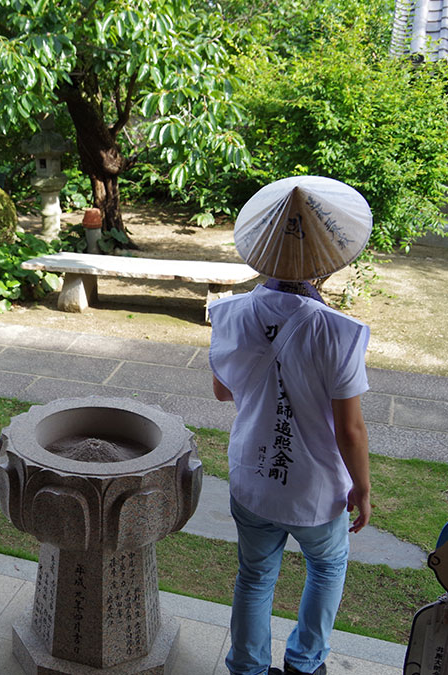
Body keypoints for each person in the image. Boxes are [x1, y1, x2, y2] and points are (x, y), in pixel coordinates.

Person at [207, 176, 374, 675]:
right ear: (328, 260)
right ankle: (305, 663)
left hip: (253, 477)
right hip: (316, 491)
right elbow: (351, 431)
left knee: (254, 578)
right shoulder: (339, 333)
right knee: (326, 567)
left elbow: (222, 391)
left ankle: (248, 668)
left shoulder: (229, 313)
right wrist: (362, 488)